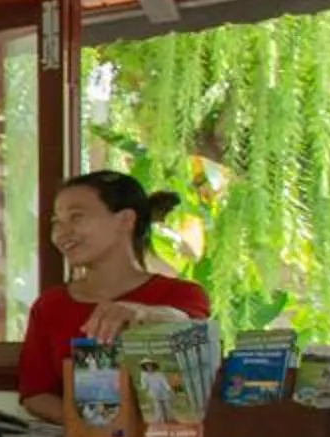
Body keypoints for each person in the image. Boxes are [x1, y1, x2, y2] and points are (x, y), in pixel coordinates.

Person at [18, 169, 213, 422]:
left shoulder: (181, 294)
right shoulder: (50, 306)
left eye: (76, 217)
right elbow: (36, 393)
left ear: (125, 220)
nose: (61, 233)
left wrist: (142, 314)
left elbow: (192, 329)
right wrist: (97, 428)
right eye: (57, 222)